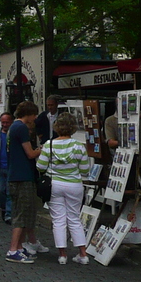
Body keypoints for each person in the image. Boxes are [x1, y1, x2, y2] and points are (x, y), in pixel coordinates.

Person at [37, 112, 92, 265]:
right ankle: (83, 254)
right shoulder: (79, 146)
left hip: (55, 185)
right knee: (74, 219)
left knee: (58, 220)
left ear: (56, 127)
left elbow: (40, 167)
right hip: (74, 185)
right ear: (73, 128)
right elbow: (85, 170)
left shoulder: (49, 145)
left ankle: (62, 255)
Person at [6, 101, 47, 263]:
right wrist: (41, 150)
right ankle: (13, 249)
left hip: (16, 175)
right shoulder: (21, 128)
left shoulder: (13, 128)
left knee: (23, 211)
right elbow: (30, 153)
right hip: (22, 176)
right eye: (34, 114)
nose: (35, 118)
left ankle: (21, 247)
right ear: (28, 114)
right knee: (22, 213)